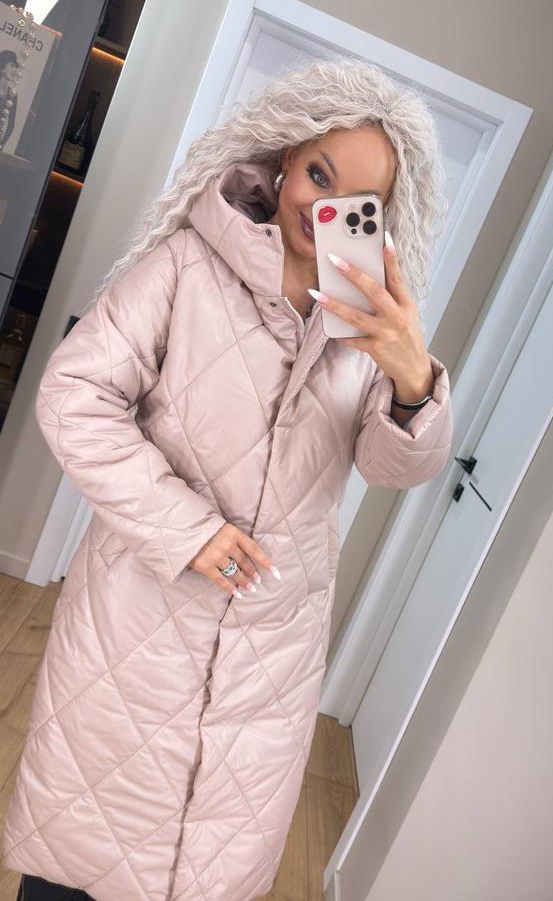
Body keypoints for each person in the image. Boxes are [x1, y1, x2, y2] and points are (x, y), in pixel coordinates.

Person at [2, 55, 453, 900]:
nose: (322, 208)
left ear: (380, 218)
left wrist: (411, 377)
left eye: (355, 200)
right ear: (284, 159)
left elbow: (394, 466)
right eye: (318, 174)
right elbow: (73, 395)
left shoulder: (369, 328)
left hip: (271, 648)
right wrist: (190, 528)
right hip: (139, 621)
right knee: (87, 840)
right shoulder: (185, 266)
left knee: (211, 858)